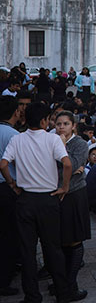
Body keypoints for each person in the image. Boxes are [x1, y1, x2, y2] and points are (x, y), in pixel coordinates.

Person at [0, 102, 73, 303]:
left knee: (27, 251)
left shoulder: (18, 139)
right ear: (43, 120)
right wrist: (65, 186)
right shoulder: (53, 139)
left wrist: (12, 183)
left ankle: (32, 295)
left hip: (25, 199)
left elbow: (3, 164)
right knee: (53, 249)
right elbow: (67, 163)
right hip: (48, 198)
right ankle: (62, 292)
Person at [54, 111, 91, 301]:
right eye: (58, 123)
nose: (61, 127)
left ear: (73, 126)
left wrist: (61, 147)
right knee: (59, 241)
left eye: (66, 123)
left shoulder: (80, 144)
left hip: (74, 194)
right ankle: (61, 282)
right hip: (55, 194)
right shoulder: (50, 140)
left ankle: (70, 284)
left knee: (75, 239)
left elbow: (72, 164)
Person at [0, 97, 21, 297]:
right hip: (6, 189)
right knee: (8, 235)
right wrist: (13, 184)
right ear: (15, 112)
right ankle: (4, 280)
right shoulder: (13, 135)